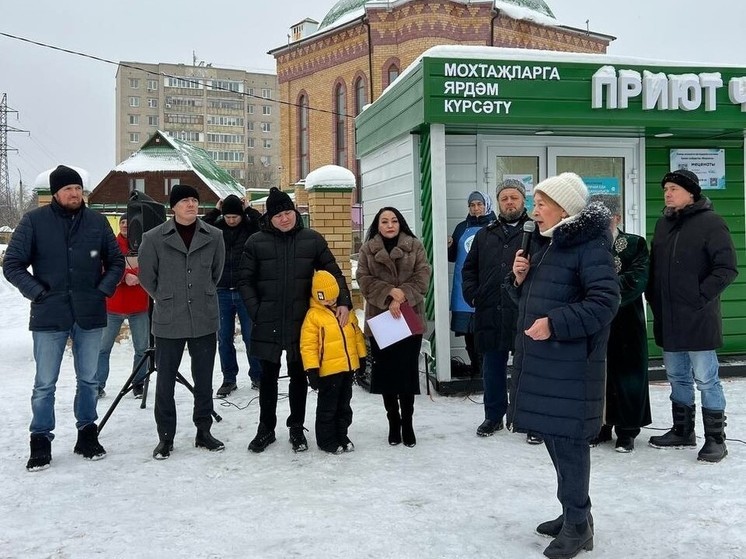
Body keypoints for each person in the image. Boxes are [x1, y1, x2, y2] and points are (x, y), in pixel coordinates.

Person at [508, 173, 619, 559]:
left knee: (569, 443)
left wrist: (555, 323)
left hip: (571, 366)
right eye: (534, 202)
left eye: (541, 203)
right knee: (556, 439)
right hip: (546, 363)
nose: (533, 210)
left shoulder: (589, 246)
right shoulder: (548, 244)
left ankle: (578, 526)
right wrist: (519, 279)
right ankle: (574, 512)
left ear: (564, 208)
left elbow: (605, 302)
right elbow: (539, 296)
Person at [3, 164, 125, 471]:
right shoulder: (34, 221)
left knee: (89, 379)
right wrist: (38, 293)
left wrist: (102, 291)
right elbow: (13, 264)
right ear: (56, 193)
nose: (74, 194)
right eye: (68, 189)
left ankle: (87, 433)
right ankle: (40, 439)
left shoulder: (96, 222)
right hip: (49, 313)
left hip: (89, 311)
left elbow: (116, 262)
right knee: (45, 383)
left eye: (78, 189)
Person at [239, 187, 352, 453]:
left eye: (288, 212)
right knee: (267, 377)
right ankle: (265, 428)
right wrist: (257, 311)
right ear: (270, 217)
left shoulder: (311, 239)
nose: (284, 219)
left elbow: (333, 272)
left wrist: (345, 301)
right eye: (278, 215)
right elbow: (244, 280)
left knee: (299, 377)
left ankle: (296, 427)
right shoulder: (255, 242)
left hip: (302, 322)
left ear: (295, 212)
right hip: (267, 320)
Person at [646, 169, 737, 463]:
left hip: (698, 317)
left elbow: (726, 268)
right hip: (668, 317)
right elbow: (655, 268)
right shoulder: (663, 225)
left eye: (673, 188)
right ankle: (682, 430)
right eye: (665, 189)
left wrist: (698, 296)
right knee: (676, 377)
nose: (668, 194)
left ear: (691, 192)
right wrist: (653, 298)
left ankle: (715, 440)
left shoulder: (712, 223)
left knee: (707, 379)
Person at [138, 184, 226, 460]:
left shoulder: (214, 236)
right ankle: (166, 437)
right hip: (169, 319)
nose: (191, 204)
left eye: (194, 200)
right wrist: (166, 297)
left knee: (204, 380)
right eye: (185, 200)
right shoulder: (153, 238)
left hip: (203, 317)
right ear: (173, 207)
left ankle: (204, 431)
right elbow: (147, 277)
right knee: (165, 382)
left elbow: (216, 272)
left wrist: (201, 293)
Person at [356, 207, 431, 447]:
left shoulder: (414, 246)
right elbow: (364, 279)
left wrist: (402, 296)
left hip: (409, 318)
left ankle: (407, 423)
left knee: (406, 374)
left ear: (400, 224)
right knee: (387, 374)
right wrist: (388, 293)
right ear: (377, 226)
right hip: (381, 320)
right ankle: (393, 422)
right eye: (384, 221)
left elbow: (423, 276)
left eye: (394, 221)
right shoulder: (368, 249)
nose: (390, 225)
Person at [462, 179, 531, 438]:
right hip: (490, 309)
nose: (509, 202)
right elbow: (469, 270)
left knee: (527, 368)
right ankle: (493, 416)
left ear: (523, 200)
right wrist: (473, 295)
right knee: (492, 367)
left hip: (524, 310)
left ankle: (528, 418)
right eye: (504, 198)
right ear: (498, 202)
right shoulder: (485, 234)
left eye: (514, 197)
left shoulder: (534, 232)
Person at [588, 194, 652, 453]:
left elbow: (637, 279)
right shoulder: (587, 246)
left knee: (628, 376)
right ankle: (600, 425)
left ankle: (627, 430)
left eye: (606, 218)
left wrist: (603, 292)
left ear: (618, 218)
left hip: (626, 322)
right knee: (598, 375)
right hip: (594, 323)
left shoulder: (635, 244)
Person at [300, 270, 367, 454]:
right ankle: (326, 439)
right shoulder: (313, 316)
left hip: (347, 369)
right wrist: (311, 370)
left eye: (332, 298)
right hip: (328, 371)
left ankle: (342, 434)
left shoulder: (345, 312)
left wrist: (361, 359)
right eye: (324, 299)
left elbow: (357, 336)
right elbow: (308, 346)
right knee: (328, 408)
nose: (329, 302)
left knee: (344, 405)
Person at [203, 194, 263, 397]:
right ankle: (229, 379)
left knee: (250, 336)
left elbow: (263, 226)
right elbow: (199, 228)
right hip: (221, 291)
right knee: (224, 338)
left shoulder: (249, 228)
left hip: (245, 291)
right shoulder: (216, 229)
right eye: (227, 216)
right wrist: (215, 210)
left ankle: (257, 376)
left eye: (234, 216)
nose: (231, 220)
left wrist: (248, 210)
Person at [95, 214, 150, 399]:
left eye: (129, 223)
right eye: (123, 223)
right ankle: (98, 385)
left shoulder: (144, 244)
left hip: (139, 306)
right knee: (103, 348)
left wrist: (137, 274)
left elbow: (153, 266)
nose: (126, 225)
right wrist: (124, 275)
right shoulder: (111, 244)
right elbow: (104, 266)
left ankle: (138, 383)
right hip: (113, 306)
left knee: (142, 349)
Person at [448, 190, 496, 375]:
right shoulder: (461, 227)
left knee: (487, 331)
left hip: (488, 287)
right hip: (464, 289)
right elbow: (453, 258)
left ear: (487, 205)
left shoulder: (496, 226)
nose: (476, 208)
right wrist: (450, 246)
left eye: (479, 204)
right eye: (472, 205)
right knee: (469, 333)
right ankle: (477, 369)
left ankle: (488, 371)